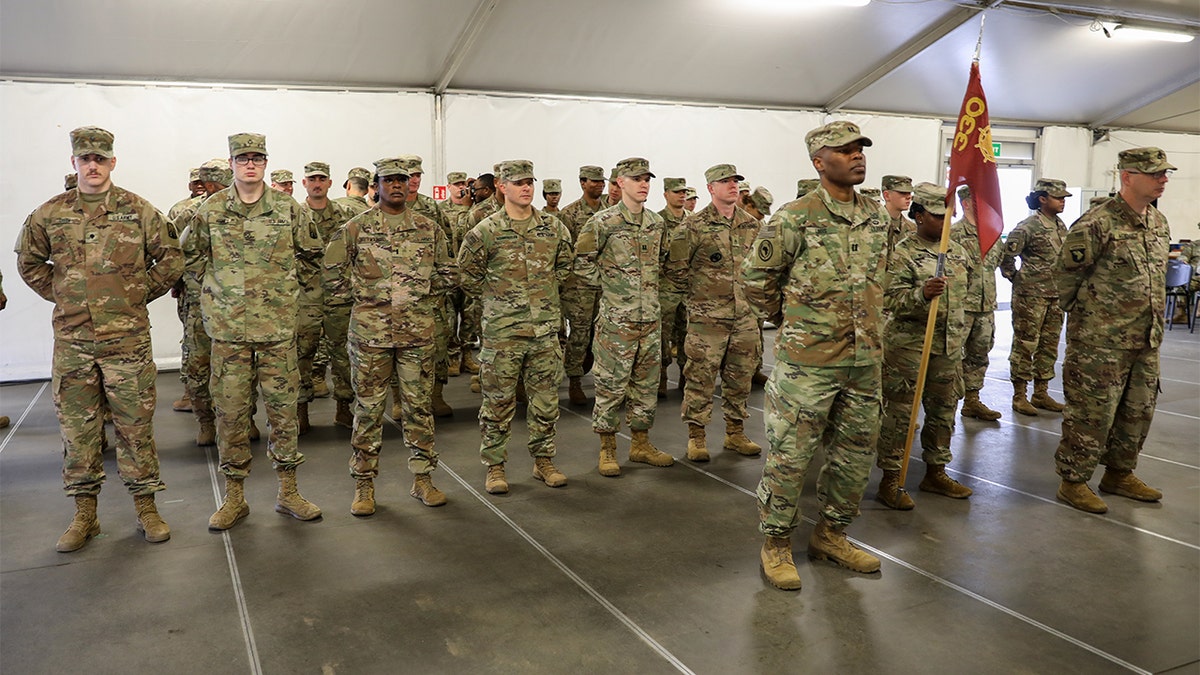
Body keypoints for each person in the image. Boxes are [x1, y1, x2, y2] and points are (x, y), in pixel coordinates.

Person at [15, 126, 181, 552]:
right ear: (73, 163)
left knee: (134, 426)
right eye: (84, 158)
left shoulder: (137, 210)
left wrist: (136, 292)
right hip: (73, 341)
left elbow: (170, 258)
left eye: (100, 159)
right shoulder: (50, 213)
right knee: (78, 429)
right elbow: (29, 261)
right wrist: (65, 294)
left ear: (112, 162)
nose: (92, 165)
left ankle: (146, 507)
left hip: (126, 340)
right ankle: (84, 514)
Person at [741, 121, 887, 590]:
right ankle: (776, 543)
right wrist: (793, 322)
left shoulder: (877, 216)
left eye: (859, 149)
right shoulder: (792, 218)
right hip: (808, 364)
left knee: (854, 455)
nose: (857, 156)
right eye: (844, 151)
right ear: (819, 162)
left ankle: (832, 534)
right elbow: (756, 281)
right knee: (790, 456)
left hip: (864, 361)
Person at [184, 132, 324, 530]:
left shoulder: (287, 208)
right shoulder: (211, 209)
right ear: (231, 164)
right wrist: (217, 294)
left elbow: (312, 256)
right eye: (242, 157)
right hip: (228, 333)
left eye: (257, 158)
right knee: (230, 413)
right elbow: (190, 256)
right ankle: (234, 497)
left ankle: (288, 491)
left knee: (283, 412)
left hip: (277, 329)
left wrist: (287, 293)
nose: (250, 164)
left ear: (265, 163)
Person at [326, 157, 457, 514]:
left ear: (410, 184)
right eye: (388, 180)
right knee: (368, 410)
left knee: (419, 408)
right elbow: (331, 274)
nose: (396, 185)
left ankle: (423, 479)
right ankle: (364, 485)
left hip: (417, 334)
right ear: (376, 186)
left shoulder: (428, 228)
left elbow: (449, 272)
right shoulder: (355, 228)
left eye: (402, 179)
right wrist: (366, 299)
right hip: (370, 336)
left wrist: (420, 297)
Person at [1053, 148, 1173, 514]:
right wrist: (1092, 318)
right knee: (1092, 413)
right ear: (1127, 176)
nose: (1163, 179)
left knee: (1137, 411)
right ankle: (1073, 481)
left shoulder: (1158, 222)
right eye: (1154, 174)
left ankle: (1119, 473)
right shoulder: (1097, 223)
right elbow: (1064, 278)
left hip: (1146, 338)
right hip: (1100, 342)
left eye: (1165, 174)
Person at [458, 160, 573, 494]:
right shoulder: (485, 231)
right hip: (503, 334)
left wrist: (544, 294)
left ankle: (543, 461)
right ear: (501, 187)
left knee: (546, 401)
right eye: (518, 182)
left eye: (529, 182)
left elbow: (564, 267)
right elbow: (468, 276)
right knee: (497, 402)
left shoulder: (553, 228)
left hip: (544, 331)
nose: (526, 188)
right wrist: (499, 302)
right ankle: (495, 467)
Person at [574, 158, 676, 476]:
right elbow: (582, 262)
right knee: (610, 385)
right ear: (620, 182)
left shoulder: (656, 224)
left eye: (647, 178)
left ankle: (640, 444)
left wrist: (658, 300)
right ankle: (607, 448)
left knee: (646, 385)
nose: (644, 184)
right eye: (636, 179)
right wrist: (611, 286)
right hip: (617, 322)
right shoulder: (603, 222)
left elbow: (663, 264)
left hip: (649, 320)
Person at [874, 183, 973, 510]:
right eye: (936, 216)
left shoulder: (957, 251)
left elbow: (964, 298)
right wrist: (921, 295)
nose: (945, 223)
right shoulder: (902, 252)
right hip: (909, 347)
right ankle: (891, 477)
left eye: (948, 217)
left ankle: (936, 471)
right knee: (901, 414)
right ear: (918, 216)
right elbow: (888, 299)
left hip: (947, 347)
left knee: (944, 411)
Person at [668, 164, 762, 462]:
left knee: (741, 376)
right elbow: (676, 272)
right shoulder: (693, 227)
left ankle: (735, 432)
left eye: (735, 181)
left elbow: (761, 269)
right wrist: (697, 304)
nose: (733, 186)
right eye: (725, 182)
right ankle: (697, 436)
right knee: (700, 377)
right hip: (707, 320)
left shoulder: (752, 225)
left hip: (744, 317)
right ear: (711, 188)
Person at [1001, 178, 1072, 416]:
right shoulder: (1027, 227)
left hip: (1055, 296)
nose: (1063, 201)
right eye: (1058, 197)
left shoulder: (1061, 225)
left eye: (1064, 198)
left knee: (1049, 345)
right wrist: (1019, 280)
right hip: (1030, 296)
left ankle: (1040, 393)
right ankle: (1019, 395)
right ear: (1043, 199)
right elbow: (1007, 258)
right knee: (1025, 344)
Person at [176, 159, 232, 447]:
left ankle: (240, 422)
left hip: (233, 306)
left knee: (237, 370)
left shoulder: (240, 212)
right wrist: (181, 286)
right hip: (199, 303)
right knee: (198, 365)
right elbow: (173, 253)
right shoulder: (188, 214)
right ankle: (206, 423)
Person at [299, 162, 357, 428]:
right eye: (312, 179)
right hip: (305, 295)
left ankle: (344, 406)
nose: (317, 183)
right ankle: (300, 410)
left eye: (322, 178)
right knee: (302, 353)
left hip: (339, 294)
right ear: (305, 184)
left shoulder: (345, 216)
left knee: (342, 354)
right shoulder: (295, 215)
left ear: (330, 183)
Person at [951, 185, 1005, 421]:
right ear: (966, 204)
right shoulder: (954, 235)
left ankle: (972, 400)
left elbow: (999, 261)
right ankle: (947, 403)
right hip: (962, 306)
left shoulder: (991, 233)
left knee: (980, 354)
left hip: (986, 305)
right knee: (951, 356)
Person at [557, 165, 607, 405]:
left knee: (604, 335)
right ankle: (575, 380)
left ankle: (605, 380)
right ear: (582, 183)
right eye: (593, 181)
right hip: (579, 287)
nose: (599, 184)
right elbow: (564, 252)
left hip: (606, 285)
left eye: (601, 181)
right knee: (579, 333)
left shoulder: (610, 212)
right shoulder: (569, 214)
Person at [657, 177, 690, 398]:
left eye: (683, 192)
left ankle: (685, 375)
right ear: (666, 194)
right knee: (663, 334)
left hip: (688, 288)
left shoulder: (693, 221)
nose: (681, 195)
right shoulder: (658, 221)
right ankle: (661, 375)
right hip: (666, 288)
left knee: (687, 334)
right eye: (676, 192)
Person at [880, 175, 914, 257]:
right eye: (902, 193)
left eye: (909, 193)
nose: (908, 197)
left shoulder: (912, 229)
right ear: (887, 195)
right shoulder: (871, 226)